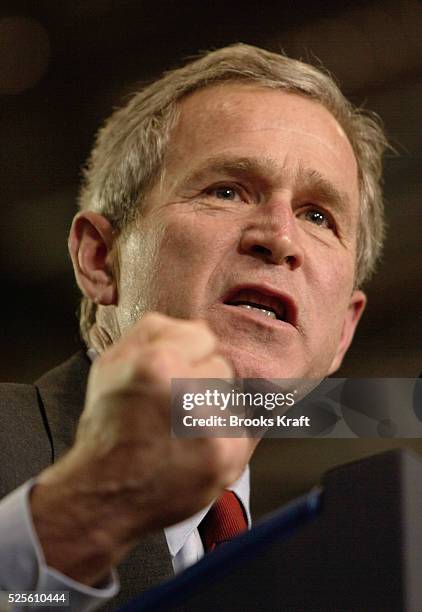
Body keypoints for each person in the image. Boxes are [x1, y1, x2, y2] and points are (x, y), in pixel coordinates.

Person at [0, 43, 388, 610]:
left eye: (317, 216)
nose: (279, 238)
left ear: (344, 332)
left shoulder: (332, 582)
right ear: (100, 259)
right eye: (226, 190)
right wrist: (84, 517)